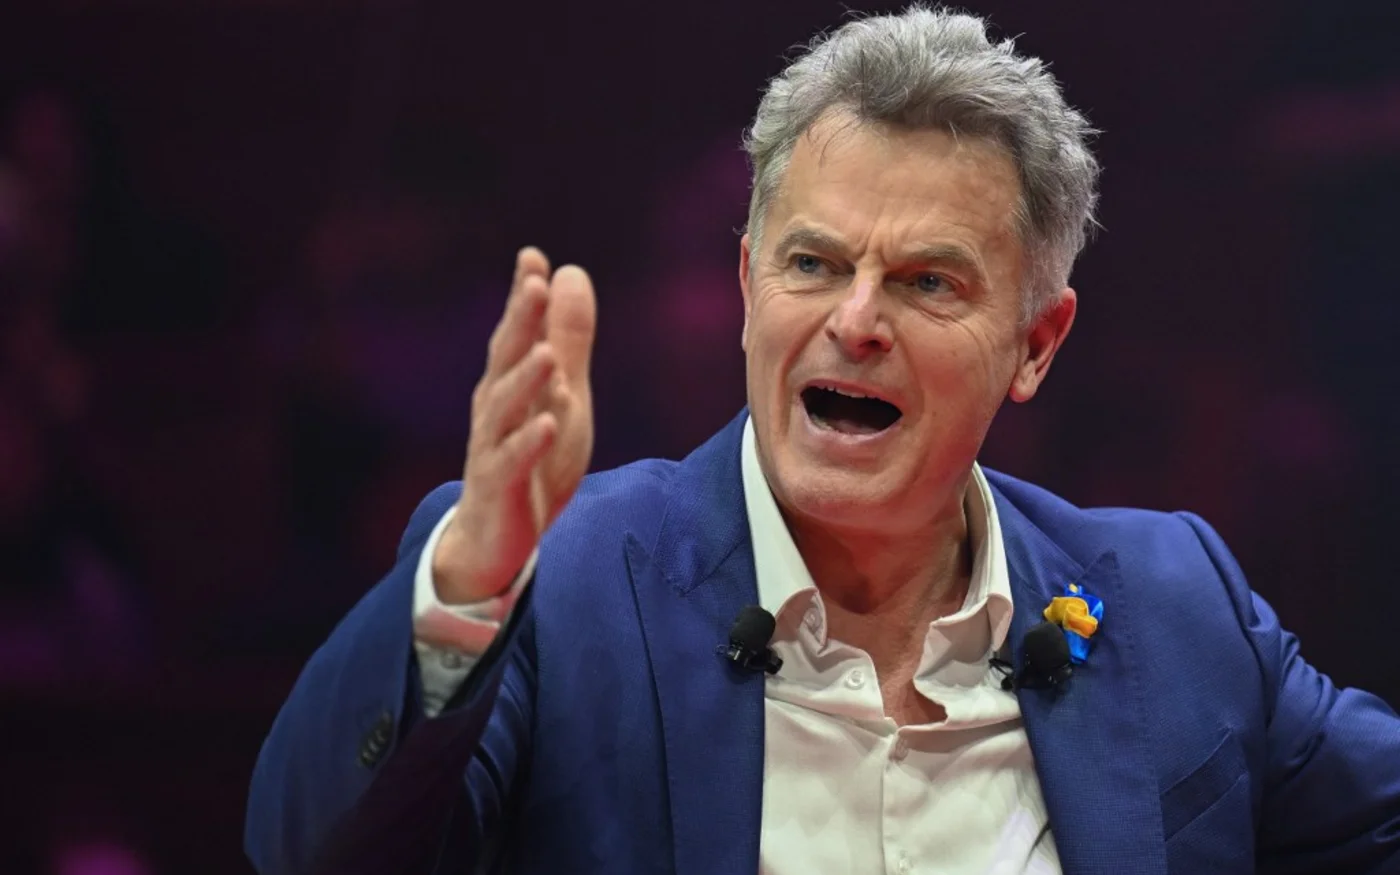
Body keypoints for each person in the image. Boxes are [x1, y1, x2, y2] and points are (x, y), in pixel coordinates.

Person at [246, 7, 1400, 874]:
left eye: (926, 280)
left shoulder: (1169, 604)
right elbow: (306, 850)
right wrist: (466, 590)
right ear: (749, 285)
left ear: (1035, 344)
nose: (854, 320)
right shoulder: (558, 585)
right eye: (812, 262)